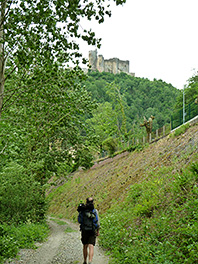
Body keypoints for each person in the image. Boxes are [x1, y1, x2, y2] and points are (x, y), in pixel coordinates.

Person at [77, 197, 100, 264]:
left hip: (84, 230)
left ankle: (84, 261)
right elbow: (97, 222)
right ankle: (90, 261)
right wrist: (97, 231)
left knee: (85, 246)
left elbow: (79, 220)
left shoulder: (82, 210)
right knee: (91, 246)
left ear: (86, 202)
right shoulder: (94, 211)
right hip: (92, 230)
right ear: (93, 202)